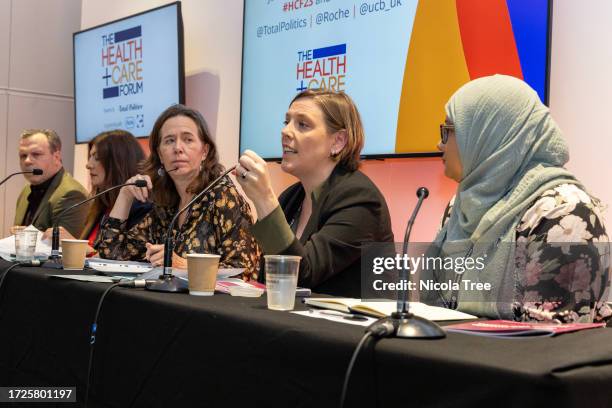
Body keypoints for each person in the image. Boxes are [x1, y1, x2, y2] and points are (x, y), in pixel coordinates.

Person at [429, 74, 610, 323]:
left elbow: (554, 335)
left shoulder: (564, 213)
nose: (440, 143)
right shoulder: (460, 206)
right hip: (459, 355)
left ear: (490, 135)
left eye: (449, 130)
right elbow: (436, 306)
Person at [235, 89, 394, 297]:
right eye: (287, 122)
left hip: (352, 328)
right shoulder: (291, 198)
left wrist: (263, 198)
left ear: (338, 141)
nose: (286, 132)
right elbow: (270, 282)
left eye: (302, 124)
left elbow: (301, 275)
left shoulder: (359, 198)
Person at [96, 105, 260, 280]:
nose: (178, 148)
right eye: (169, 141)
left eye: (188, 140)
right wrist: (125, 196)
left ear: (205, 151)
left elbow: (244, 272)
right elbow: (111, 254)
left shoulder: (224, 198)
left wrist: (184, 266)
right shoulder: (165, 203)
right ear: (160, 154)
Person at [41, 130, 151, 255]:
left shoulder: (142, 207)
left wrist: (74, 244)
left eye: (97, 158)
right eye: (90, 157)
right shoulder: (102, 204)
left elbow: (115, 258)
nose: (88, 165)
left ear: (118, 162)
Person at [12, 129, 88, 237]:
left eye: (36, 154)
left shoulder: (72, 194)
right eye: (23, 156)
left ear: (56, 157)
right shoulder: (26, 190)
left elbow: (65, 249)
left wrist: (28, 236)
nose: (27, 161)